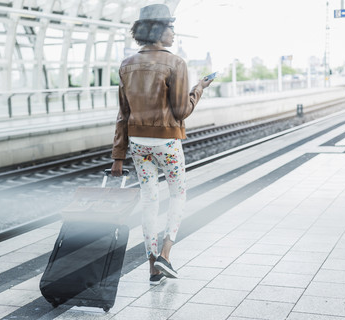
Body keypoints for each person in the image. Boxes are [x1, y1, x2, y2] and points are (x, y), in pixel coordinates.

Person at [110, 4, 213, 285]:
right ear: (157, 31)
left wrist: (117, 157)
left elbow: (123, 113)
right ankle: (166, 252)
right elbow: (181, 111)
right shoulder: (176, 63)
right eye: (170, 28)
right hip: (167, 142)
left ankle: (153, 267)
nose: (173, 34)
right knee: (178, 194)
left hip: (137, 145)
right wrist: (199, 89)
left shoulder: (126, 64)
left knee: (149, 201)